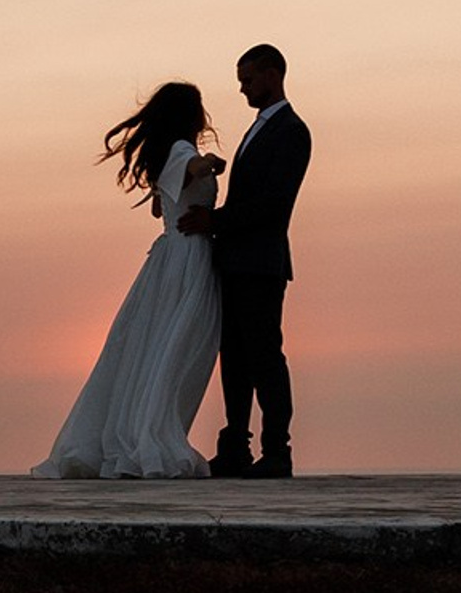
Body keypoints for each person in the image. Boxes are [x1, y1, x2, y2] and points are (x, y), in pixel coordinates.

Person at [31, 81, 224, 479]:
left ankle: (143, 431)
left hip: (171, 255)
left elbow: (160, 208)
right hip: (187, 256)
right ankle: (149, 437)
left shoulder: (166, 155)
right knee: (173, 351)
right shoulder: (183, 151)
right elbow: (194, 169)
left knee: (155, 349)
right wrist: (212, 164)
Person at [177, 44, 309, 478]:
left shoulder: (291, 131)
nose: (243, 89)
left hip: (261, 262)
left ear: (273, 75)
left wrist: (214, 221)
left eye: (248, 80)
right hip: (235, 261)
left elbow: (272, 204)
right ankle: (235, 444)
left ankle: (277, 450)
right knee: (233, 355)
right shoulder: (259, 128)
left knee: (265, 354)